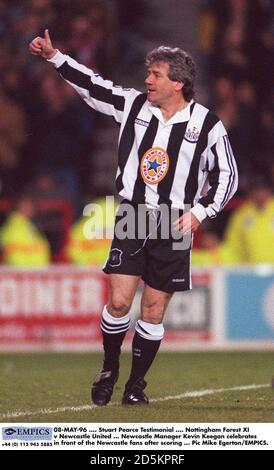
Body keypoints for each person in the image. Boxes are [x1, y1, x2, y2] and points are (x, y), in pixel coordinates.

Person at [29, 30, 238, 406]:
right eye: (149, 74)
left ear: (178, 82)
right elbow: (92, 85)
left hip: (174, 221)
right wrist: (55, 57)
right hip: (134, 215)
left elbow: (228, 176)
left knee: (153, 309)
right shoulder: (132, 105)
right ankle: (109, 367)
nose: (147, 80)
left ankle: (135, 386)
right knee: (120, 302)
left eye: (156, 74)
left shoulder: (207, 125)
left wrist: (200, 212)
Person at [224, 174, 274, 264]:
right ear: (251, 192)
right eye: (256, 189)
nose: (260, 193)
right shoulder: (241, 214)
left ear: (269, 190)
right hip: (250, 272)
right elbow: (233, 245)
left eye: (263, 189)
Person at [0, 195, 51, 267]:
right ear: (18, 207)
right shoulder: (15, 228)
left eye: (31, 205)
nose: (31, 208)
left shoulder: (27, 226)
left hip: (31, 272)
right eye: (26, 205)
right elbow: (15, 257)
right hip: (23, 273)